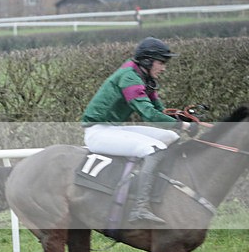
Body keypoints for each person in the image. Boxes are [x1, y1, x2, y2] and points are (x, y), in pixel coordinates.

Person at [81, 37, 195, 224]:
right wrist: (185, 126)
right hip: (98, 132)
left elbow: (159, 111)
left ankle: (161, 187)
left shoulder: (144, 78)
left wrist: (180, 119)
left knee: (171, 137)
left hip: (113, 129)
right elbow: (148, 114)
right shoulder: (129, 77)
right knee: (154, 149)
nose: (164, 67)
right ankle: (139, 208)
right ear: (147, 61)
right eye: (161, 62)